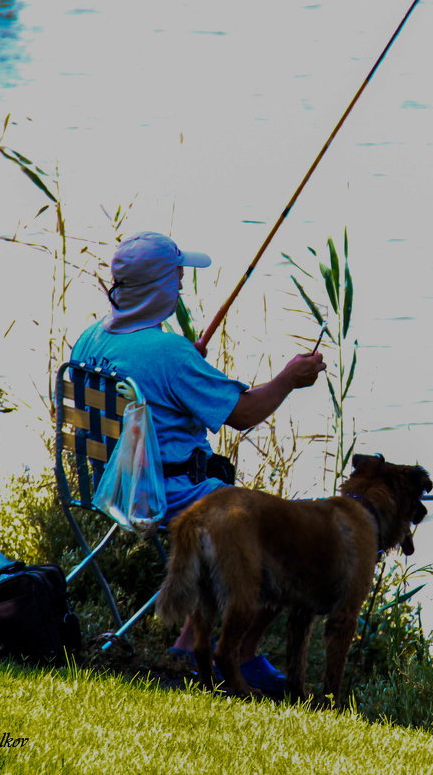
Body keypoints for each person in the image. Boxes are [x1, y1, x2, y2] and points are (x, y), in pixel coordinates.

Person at [70, 230, 325, 691]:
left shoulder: (90, 339)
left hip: (109, 487)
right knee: (283, 535)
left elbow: (151, 390)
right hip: (167, 497)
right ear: (159, 288)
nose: (182, 287)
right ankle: (241, 656)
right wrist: (289, 379)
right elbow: (243, 415)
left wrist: (190, 365)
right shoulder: (168, 353)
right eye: (176, 278)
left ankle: (190, 648)